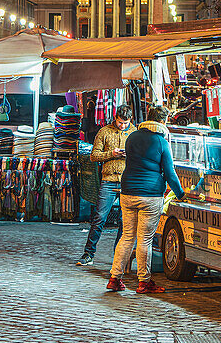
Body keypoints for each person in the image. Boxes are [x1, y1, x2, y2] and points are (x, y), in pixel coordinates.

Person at [107, 104, 186, 295]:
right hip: (149, 195)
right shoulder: (161, 141)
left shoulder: (132, 136)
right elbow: (169, 172)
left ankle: (114, 278)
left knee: (127, 236)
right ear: (162, 121)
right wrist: (181, 193)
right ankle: (144, 282)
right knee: (144, 240)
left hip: (127, 192)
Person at [75, 104, 135, 267]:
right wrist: (112, 154)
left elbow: (139, 156)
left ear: (130, 120)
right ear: (115, 118)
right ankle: (88, 253)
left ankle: (119, 255)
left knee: (125, 221)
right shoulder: (104, 132)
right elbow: (94, 156)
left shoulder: (134, 133)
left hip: (127, 182)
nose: (123, 126)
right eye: (120, 122)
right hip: (108, 180)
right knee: (99, 218)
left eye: (126, 122)